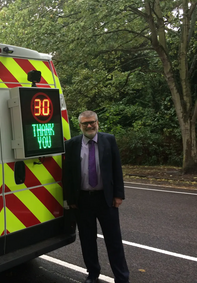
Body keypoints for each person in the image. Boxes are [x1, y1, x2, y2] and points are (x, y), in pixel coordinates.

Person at [64, 110, 129, 283]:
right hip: (83, 201)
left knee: (114, 241)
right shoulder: (71, 145)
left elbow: (117, 169)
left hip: (106, 199)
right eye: (85, 123)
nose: (89, 125)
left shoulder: (109, 140)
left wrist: (118, 195)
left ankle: (122, 278)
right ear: (80, 126)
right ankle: (93, 274)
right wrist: (71, 200)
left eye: (92, 122)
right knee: (87, 240)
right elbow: (68, 174)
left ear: (97, 123)